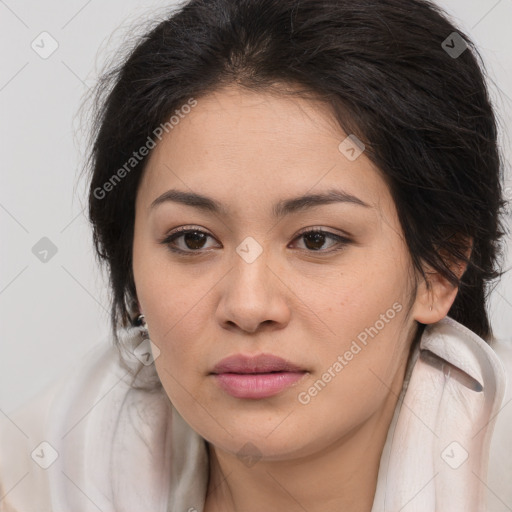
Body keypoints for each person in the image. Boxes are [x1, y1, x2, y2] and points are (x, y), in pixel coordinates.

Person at [1, 0, 511, 510]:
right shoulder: (49, 469)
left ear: (439, 269)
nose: (248, 307)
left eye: (316, 239)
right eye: (193, 239)